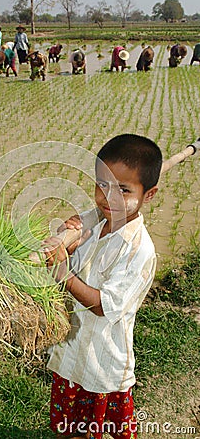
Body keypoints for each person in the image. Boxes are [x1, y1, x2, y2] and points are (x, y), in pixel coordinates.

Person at [43, 134, 162, 439]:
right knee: (67, 428)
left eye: (123, 189)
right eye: (102, 185)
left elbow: (102, 306)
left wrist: (63, 274)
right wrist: (66, 237)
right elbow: (70, 230)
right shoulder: (97, 217)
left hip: (103, 363)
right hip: (71, 353)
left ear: (148, 195)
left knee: (109, 429)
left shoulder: (140, 251)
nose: (109, 197)